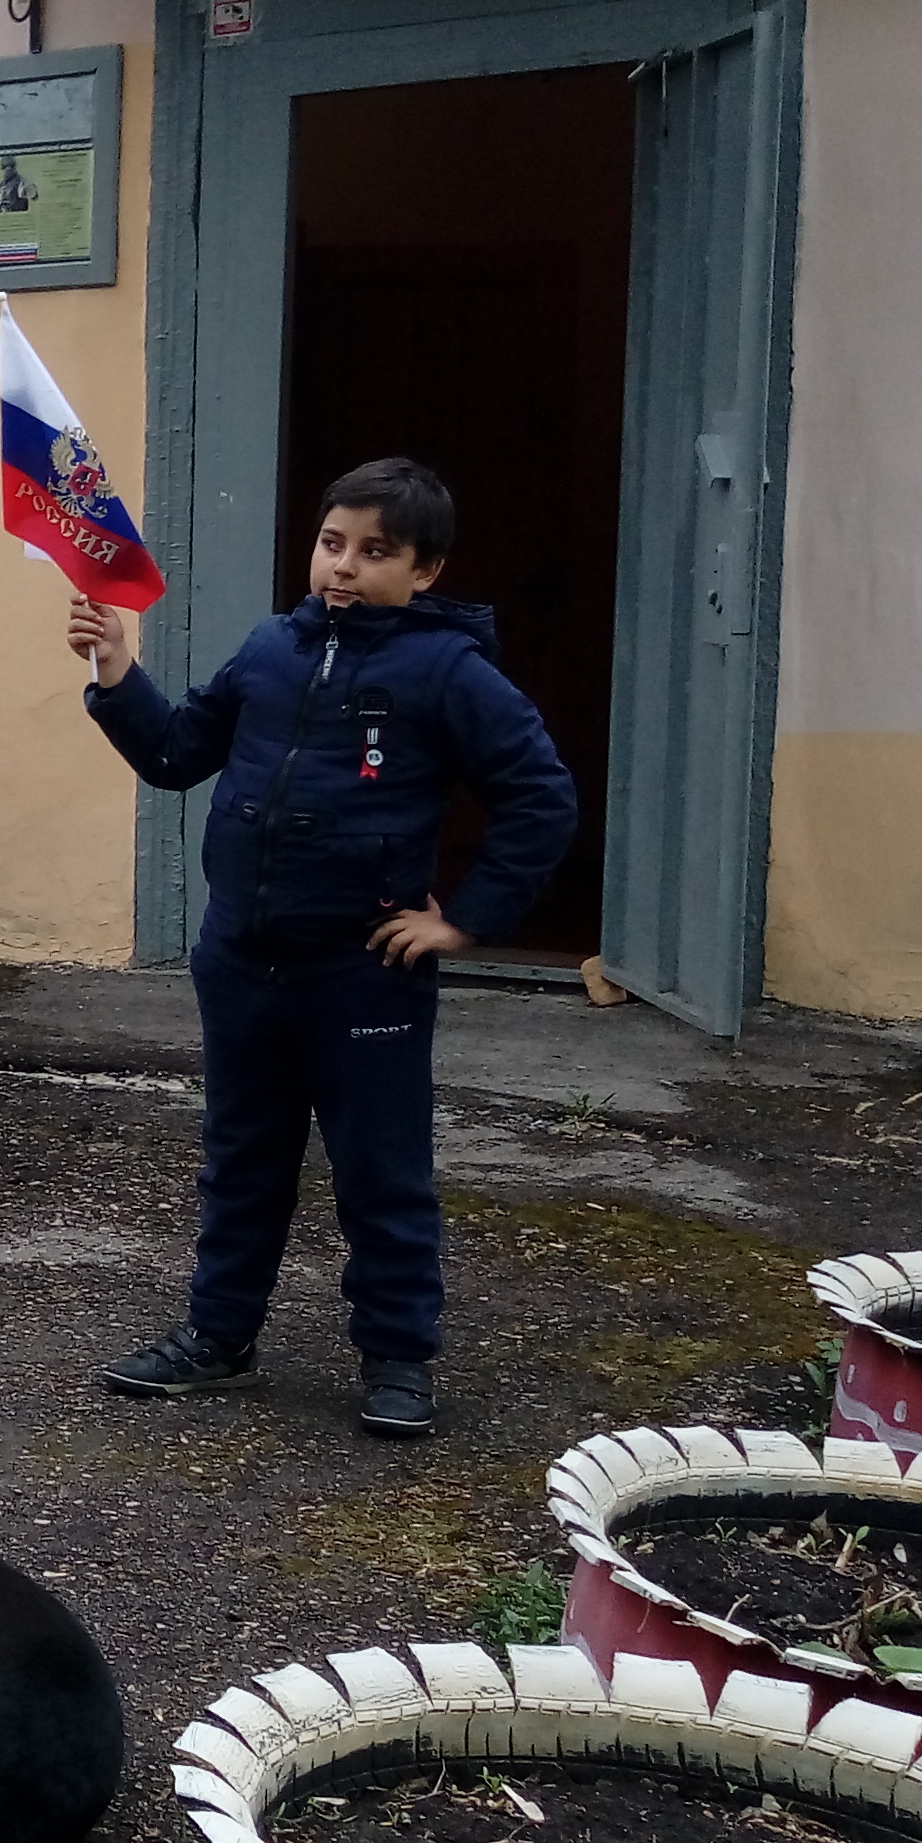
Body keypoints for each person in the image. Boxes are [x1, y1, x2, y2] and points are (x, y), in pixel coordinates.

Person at [75, 457, 577, 1440]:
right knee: (240, 1160)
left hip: (361, 971)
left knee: (377, 1168)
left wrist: (460, 919)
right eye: (329, 542)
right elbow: (178, 754)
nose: (341, 567)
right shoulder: (270, 647)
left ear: (423, 570)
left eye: (373, 551)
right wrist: (115, 671)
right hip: (241, 960)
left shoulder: (445, 671)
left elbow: (539, 793)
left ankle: (396, 1357)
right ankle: (216, 1338)